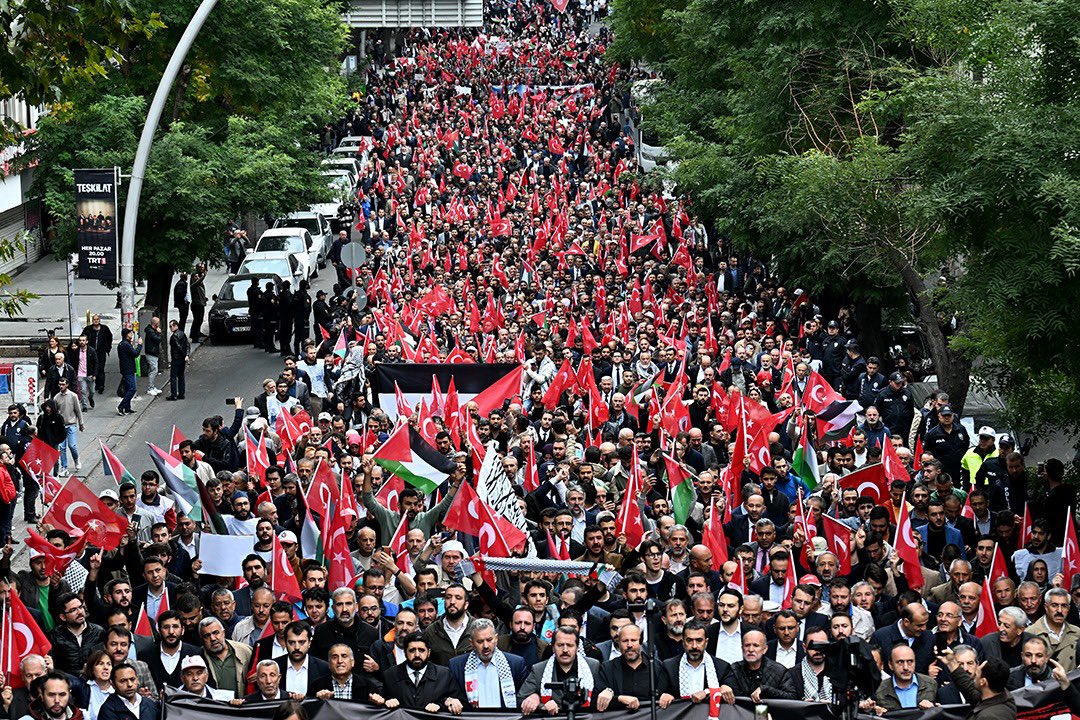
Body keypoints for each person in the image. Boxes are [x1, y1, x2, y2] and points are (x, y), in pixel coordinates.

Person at [448, 619, 528, 709]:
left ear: (496, 639)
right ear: (471, 643)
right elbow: (449, 696)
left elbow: (525, 697)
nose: (485, 646)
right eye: (480, 641)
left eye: (489, 640)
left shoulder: (516, 664)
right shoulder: (457, 666)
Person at [519, 626, 601, 714]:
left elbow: (602, 695)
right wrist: (541, 705)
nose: (565, 650)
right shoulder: (539, 669)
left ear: (577, 648)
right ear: (553, 648)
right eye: (560, 645)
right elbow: (520, 699)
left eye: (569, 645)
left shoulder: (593, 666)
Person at [380, 632, 462, 713]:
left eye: (421, 650)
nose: (417, 655)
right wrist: (386, 702)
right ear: (405, 653)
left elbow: (456, 702)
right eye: (412, 650)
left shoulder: (444, 675)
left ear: (429, 652)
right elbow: (382, 701)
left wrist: (441, 705)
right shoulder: (390, 675)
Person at [51, 377, 83, 475]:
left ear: (67, 385)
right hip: (61, 427)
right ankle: (64, 467)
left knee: (72, 445)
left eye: (63, 384)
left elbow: (78, 410)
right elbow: (54, 413)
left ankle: (76, 460)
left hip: (71, 424)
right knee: (62, 447)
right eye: (60, 384)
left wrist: (81, 423)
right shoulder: (56, 398)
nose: (61, 386)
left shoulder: (73, 396)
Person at [82, 314, 113, 396]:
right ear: (92, 320)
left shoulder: (104, 329)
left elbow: (109, 337)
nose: (96, 321)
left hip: (101, 352)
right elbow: (82, 337)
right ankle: (94, 384)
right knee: (92, 368)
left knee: (101, 368)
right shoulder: (88, 329)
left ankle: (101, 385)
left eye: (97, 319)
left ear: (100, 320)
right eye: (94, 319)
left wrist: (108, 347)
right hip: (91, 352)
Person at [115, 328, 141, 416]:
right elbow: (135, 353)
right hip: (128, 370)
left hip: (127, 369)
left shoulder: (124, 344)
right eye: (130, 333)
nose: (132, 334)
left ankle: (127, 408)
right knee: (132, 388)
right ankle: (121, 406)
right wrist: (140, 345)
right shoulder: (125, 344)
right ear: (127, 335)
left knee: (127, 389)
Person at [166, 320, 189, 401]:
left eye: (170, 326)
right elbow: (187, 344)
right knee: (181, 376)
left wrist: (184, 354)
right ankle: (181, 393)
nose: (170, 328)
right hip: (182, 359)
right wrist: (186, 355)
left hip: (176, 359)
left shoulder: (174, 336)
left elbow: (179, 348)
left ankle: (174, 394)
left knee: (173, 377)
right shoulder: (182, 333)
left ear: (175, 325)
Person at [142, 318, 162, 397]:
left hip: (152, 352)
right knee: (154, 370)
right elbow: (158, 339)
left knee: (154, 370)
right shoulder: (151, 331)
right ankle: (150, 388)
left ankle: (152, 387)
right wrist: (159, 333)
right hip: (151, 353)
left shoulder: (150, 330)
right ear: (156, 324)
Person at [188, 263, 207, 343]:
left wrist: (204, 298)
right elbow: (198, 282)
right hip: (196, 305)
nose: (197, 277)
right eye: (195, 277)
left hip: (200, 304)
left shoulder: (199, 284)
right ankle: (195, 337)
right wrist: (204, 275)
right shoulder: (194, 285)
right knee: (197, 320)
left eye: (197, 276)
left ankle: (196, 333)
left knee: (200, 320)